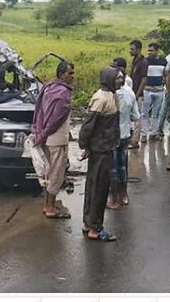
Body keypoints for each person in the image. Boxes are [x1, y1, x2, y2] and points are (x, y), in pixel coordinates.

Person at [78, 66, 122, 241]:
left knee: (93, 185)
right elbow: (88, 126)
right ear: (109, 79)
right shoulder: (101, 98)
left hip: (103, 147)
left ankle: (88, 223)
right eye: (117, 78)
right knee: (99, 188)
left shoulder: (111, 96)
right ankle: (95, 228)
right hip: (101, 149)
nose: (120, 80)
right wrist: (85, 145)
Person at [31, 61, 75, 219]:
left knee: (48, 173)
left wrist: (39, 132)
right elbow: (55, 121)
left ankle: (47, 205)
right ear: (61, 74)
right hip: (56, 138)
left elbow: (39, 111)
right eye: (70, 73)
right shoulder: (63, 94)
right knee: (56, 174)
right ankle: (50, 208)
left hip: (46, 137)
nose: (72, 76)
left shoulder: (48, 88)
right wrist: (43, 134)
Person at [107, 58, 140, 209]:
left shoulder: (108, 95)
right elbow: (135, 116)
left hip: (111, 135)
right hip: (125, 133)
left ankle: (114, 199)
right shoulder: (130, 93)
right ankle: (124, 195)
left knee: (112, 167)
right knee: (122, 166)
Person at [140, 43, 167, 142]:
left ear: (157, 51)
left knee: (156, 113)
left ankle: (153, 133)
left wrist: (166, 87)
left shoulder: (163, 61)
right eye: (149, 50)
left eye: (151, 50)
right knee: (144, 113)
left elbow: (166, 75)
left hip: (159, 90)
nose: (149, 52)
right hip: (147, 90)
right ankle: (143, 134)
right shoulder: (145, 61)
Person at [128, 40, 148, 149]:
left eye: (132, 49)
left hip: (138, 94)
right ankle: (133, 138)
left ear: (139, 49)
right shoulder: (135, 61)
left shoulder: (143, 62)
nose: (130, 51)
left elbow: (144, 79)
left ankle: (135, 141)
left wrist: (137, 94)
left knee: (137, 117)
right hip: (133, 92)